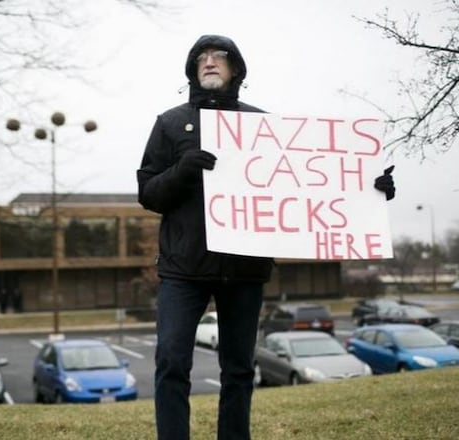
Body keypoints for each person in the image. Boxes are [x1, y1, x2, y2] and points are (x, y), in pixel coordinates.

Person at [136, 34, 396, 440]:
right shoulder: (170, 123)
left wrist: (369, 189)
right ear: (192, 69)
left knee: (239, 370)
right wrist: (182, 169)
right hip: (183, 268)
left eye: (218, 56)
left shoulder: (263, 126)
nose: (209, 62)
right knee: (171, 361)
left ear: (235, 68)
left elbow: (308, 186)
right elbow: (147, 193)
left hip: (245, 269)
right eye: (201, 57)